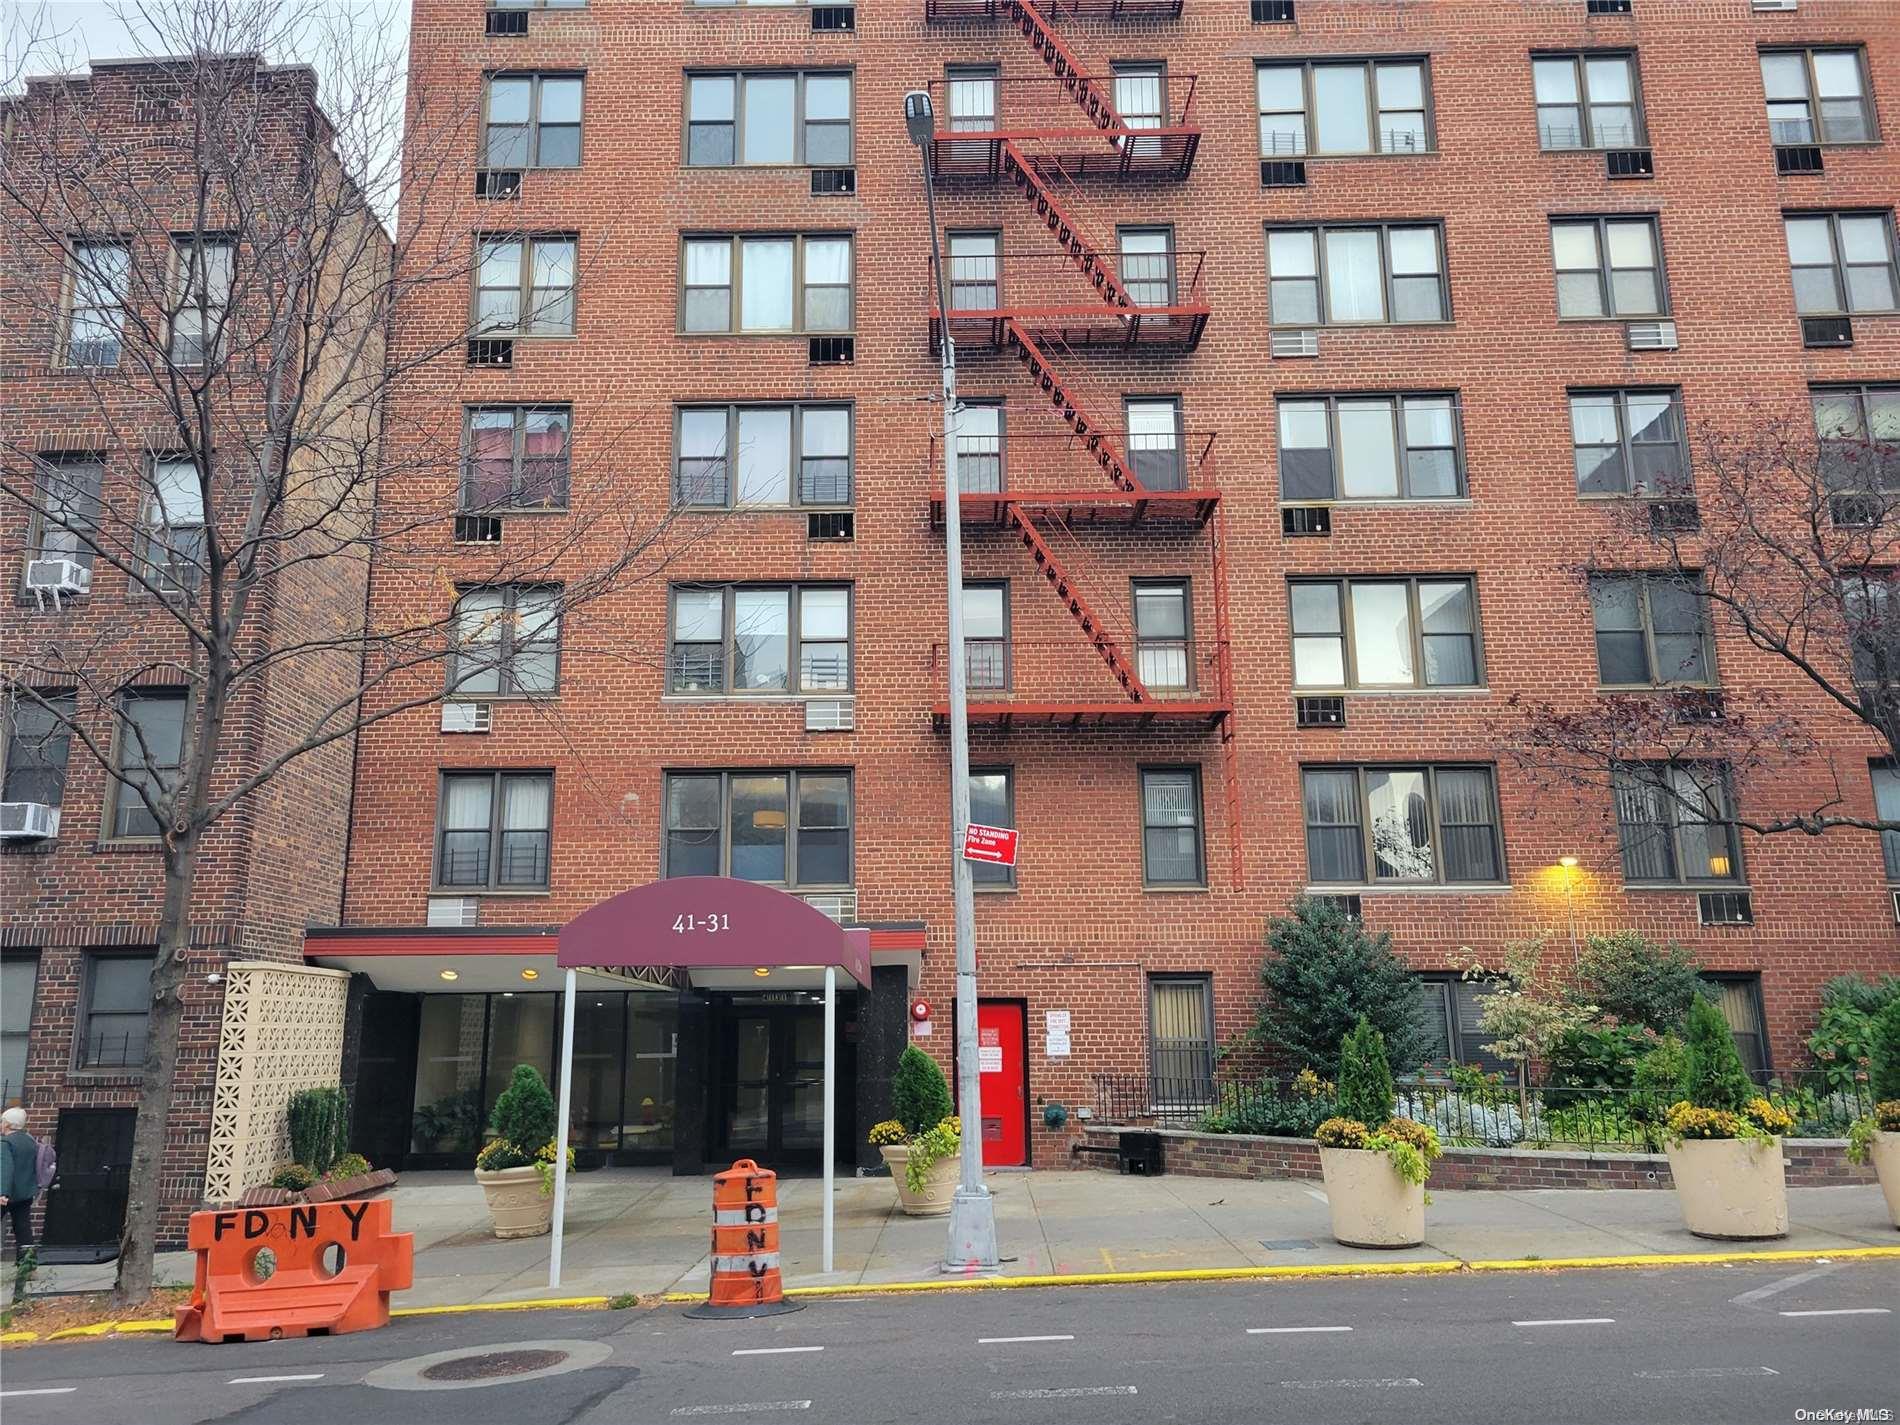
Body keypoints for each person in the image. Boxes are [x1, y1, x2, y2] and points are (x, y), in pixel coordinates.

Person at [0, 1106, 40, 1275]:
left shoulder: (6, 1142)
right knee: (23, 1229)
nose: (1, 1124)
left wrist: (3, 1192)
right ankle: (28, 1267)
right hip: (25, 1194)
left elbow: (5, 1168)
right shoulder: (30, 1141)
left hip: (7, 1194)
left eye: (2, 1121)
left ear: (8, 1124)